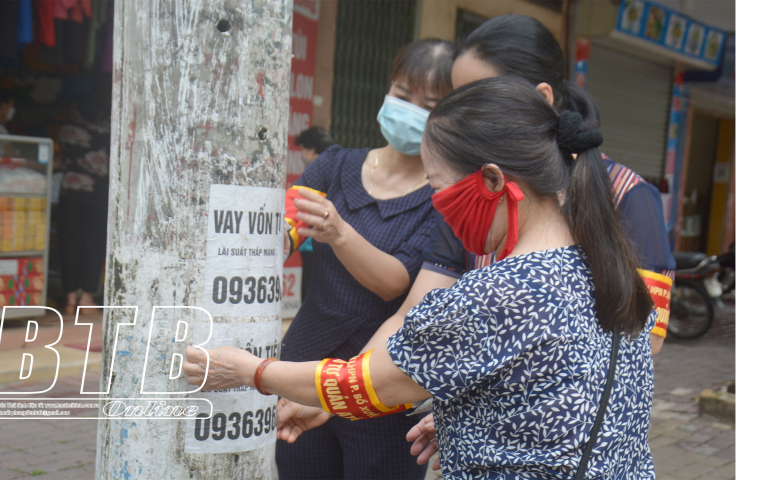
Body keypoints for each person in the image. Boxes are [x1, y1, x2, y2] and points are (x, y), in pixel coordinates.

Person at [184, 76, 658, 478]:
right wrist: (468, 420)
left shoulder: (500, 292)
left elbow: (369, 384)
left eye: (439, 188)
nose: (439, 208)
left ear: (493, 181)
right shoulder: (608, 271)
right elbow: (572, 399)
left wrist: (250, 371)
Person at [280, 14, 678, 472]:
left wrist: (499, 401)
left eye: (476, 95)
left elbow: (639, 346)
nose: (458, 111)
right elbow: (412, 314)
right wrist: (343, 396)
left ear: (539, 98)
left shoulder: (627, 195)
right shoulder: (467, 198)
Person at [266, 38, 454, 480]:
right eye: (402, 94)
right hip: (303, 370)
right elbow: (280, 234)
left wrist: (339, 233)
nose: (410, 110)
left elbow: (395, 282)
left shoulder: (443, 198)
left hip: (382, 386)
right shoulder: (334, 165)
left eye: (429, 105)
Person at [57, 93, 110, 316]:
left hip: (71, 193)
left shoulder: (67, 132)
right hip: (97, 195)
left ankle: (70, 297)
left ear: (76, 110)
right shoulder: (106, 134)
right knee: (93, 244)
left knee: (69, 243)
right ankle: (87, 297)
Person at [292, 126, 335, 301]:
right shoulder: (334, 168)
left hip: (312, 238)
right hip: (326, 238)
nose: (302, 154)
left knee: (309, 289)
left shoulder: (317, 171)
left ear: (312, 149)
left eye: (303, 149)